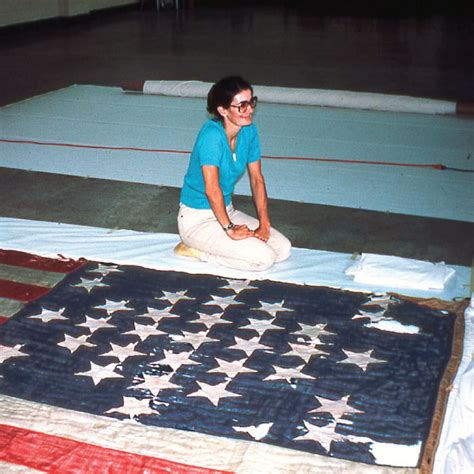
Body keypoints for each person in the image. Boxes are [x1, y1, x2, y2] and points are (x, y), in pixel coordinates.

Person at [175, 76, 291, 271]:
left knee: (283, 249)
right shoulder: (211, 136)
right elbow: (212, 189)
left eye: (251, 102)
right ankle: (196, 249)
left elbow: (257, 180)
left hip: (226, 210)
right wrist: (230, 229)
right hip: (197, 219)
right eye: (242, 105)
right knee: (263, 259)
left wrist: (264, 222)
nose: (250, 110)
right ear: (223, 110)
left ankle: (216, 243)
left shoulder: (249, 131)